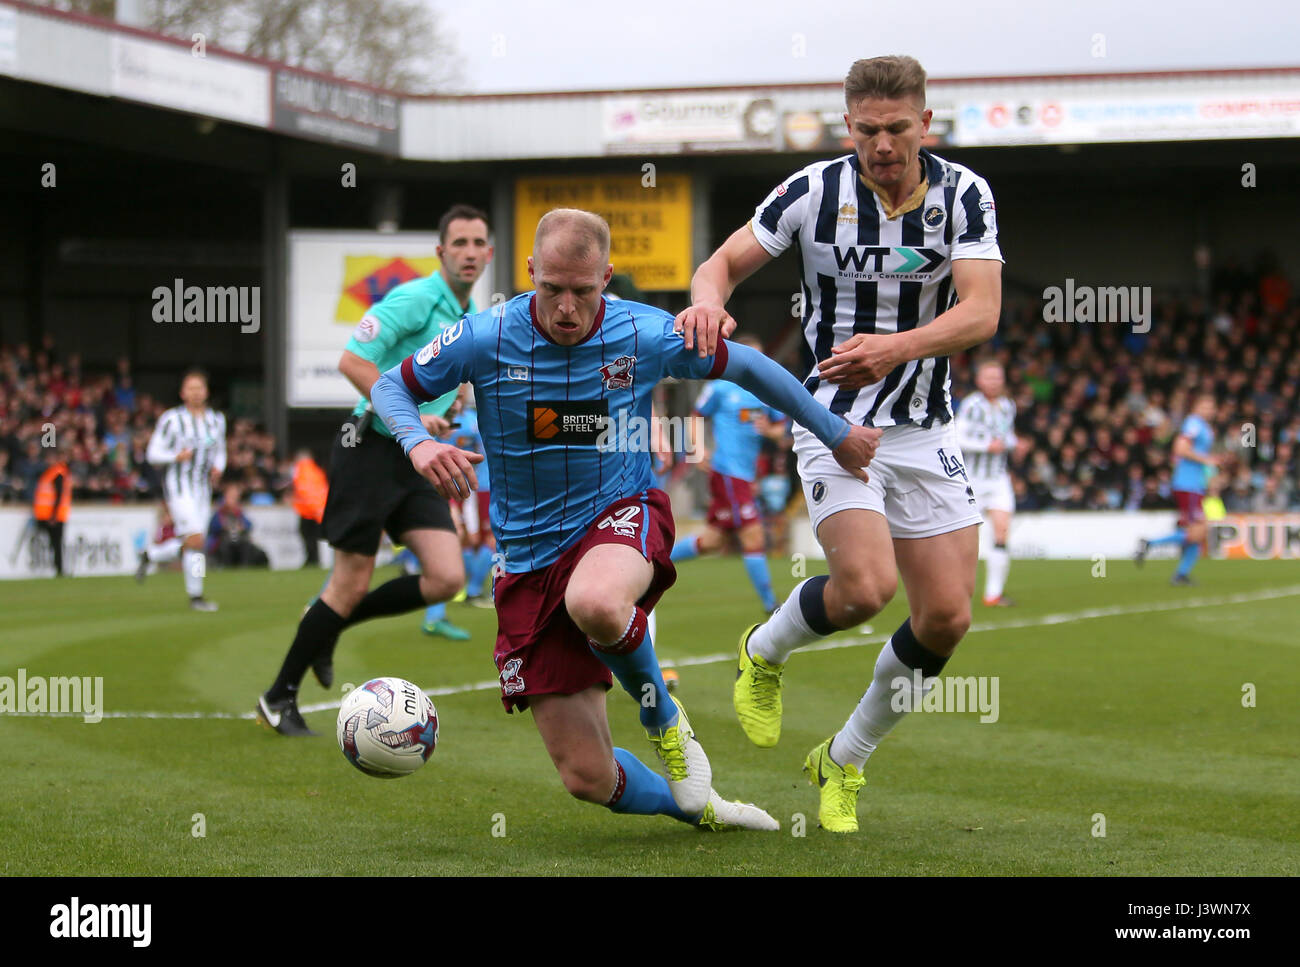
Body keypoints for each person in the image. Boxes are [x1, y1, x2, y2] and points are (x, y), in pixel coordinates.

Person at [371, 208, 880, 831]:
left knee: (598, 601)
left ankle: (664, 720)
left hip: (620, 514)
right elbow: (389, 389)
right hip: (527, 559)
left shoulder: (646, 333)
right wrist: (416, 442)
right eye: (551, 288)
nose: (564, 307)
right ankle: (701, 810)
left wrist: (834, 432)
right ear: (530, 272)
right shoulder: (485, 335)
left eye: (582, 292)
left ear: (606, 279)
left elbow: (748, 366)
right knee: (585, 776)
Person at [676, 55, 1003, 832]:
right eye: (866, 130)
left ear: (926, 123)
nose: (882, 144)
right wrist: (706, 307)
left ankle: (843, 760)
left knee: (948, 619)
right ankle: (765, 647)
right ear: (846, 124)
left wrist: (894, 348)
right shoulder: (812, 192)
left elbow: (983, 310)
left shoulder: (964, 195)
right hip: (835, 418)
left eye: (896, 129)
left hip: (923, 426)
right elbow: (718, 264)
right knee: (862, 587)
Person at [257, 205, 493, 735]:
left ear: (490, 253)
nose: (470, 252)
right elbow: (352, 361)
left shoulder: (466, 314)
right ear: (441, 252)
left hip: (415, 457)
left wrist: (453, 404)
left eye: (479, 243)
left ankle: (326, 625)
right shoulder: (413, 298)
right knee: (350, 581)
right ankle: (278, 698)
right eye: (459, 243)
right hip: (369, 449)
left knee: (446, 577)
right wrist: (411, 414)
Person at [670, 334, 786, 614]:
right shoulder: (721, 388)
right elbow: (696, 415)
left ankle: (653, 559)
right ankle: (772, 606)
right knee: (753, 536)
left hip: (746, 476)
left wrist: (770, 431)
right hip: (728, 472)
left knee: (713, 541)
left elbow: (782, 433)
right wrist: (698, 450)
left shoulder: (765, 393)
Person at [137, 368, 225, 610]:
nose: (196, 392)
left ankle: (152, 556)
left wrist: (218, 467)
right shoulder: (171, 419)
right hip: (179, 487)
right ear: (183, 393)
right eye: (191, 388)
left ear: (206, 392)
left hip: (203, 489)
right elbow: (153, 453)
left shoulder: (216, 420)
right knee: (195, 538)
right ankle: (195, 597)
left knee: (196, 541)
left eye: (200, 387)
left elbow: (220, 451)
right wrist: (176, 456)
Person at [1135, 393, 1219, 584]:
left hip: (1196, 484)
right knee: (1198, 531)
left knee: (1198, 532)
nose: (1209, 410)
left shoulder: (1204, 427)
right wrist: (1207, 459)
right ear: (1195, 407)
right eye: (1205, 405)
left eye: (1211, 406)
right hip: (1187, 484)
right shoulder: (1194, 423)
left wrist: (1210, 473)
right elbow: (1180, 449)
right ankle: (1150, 544)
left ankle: (1181, 574)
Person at [954, 359, 1018, 606]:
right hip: (973, 480)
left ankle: (993, 594)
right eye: (989, 377)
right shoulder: (971, 405)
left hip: (999, 479)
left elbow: (1006, 437)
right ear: (979, 380)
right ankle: (957, 590)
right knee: (968, 538)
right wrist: (986, 447)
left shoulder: (1007, 406)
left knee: (1001, 531)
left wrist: (1014, 443)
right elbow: (957, 438)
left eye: (998, 377)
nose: (994, 382)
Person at [32, 443, 72, 577]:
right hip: (45, 515)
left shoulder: (57, 473)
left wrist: (54, 515)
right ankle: (54, 568)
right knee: (53, 543)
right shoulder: (49, 473)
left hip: (54, 516)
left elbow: (59, 495)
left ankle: (59, 569)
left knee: (56, 543)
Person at [207, 484, 269, 567]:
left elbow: (249, 525)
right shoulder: (220, 511)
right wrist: (224, 527)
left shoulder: (238, 512)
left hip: (239, 541)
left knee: (246, 546)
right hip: (223, 541)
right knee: (225, 547)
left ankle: (244, 567)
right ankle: (227, 567)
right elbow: (212, 527)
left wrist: (242, 526)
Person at [290, 448, 328, 567]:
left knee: (308, 536)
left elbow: (305, 491)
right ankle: (313, 558)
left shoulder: (301, 470)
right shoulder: (317, 471)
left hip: (307, 511)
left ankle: (312, 559)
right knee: (313, 537)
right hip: (317, 510)